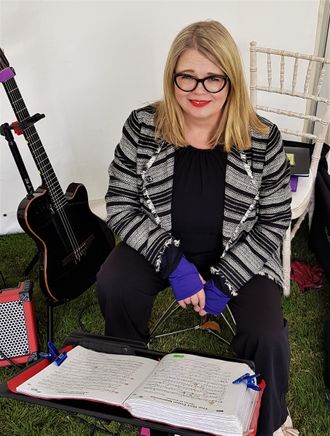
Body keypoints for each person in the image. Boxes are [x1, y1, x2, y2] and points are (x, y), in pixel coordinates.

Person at [96, 20, 298, 436]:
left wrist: (224, 281)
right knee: (114, 281)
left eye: (213, 79)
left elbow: (274, 218)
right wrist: (175, 264)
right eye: (187, 77)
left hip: (240, 254)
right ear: (172, 76)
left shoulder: (263, 138)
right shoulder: (143, 126)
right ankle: (128, 379)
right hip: (161, 247)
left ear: (231, 81)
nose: (199, 91)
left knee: (267, 334)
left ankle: (267, 418)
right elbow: (119, 201)